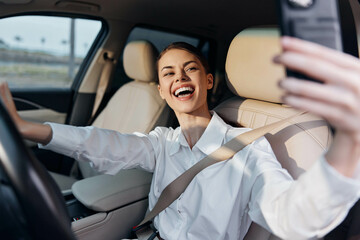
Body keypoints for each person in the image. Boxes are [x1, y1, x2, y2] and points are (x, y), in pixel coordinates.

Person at [0, 38, 359, 240]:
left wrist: (350, 147)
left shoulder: (249, 151)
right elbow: (103, 143)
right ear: (162, 91)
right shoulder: (163, 142)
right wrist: (33, 130)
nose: (179, 77)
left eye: (190, 68)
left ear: (207, 81)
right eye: (168, 73)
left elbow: (289, 214)